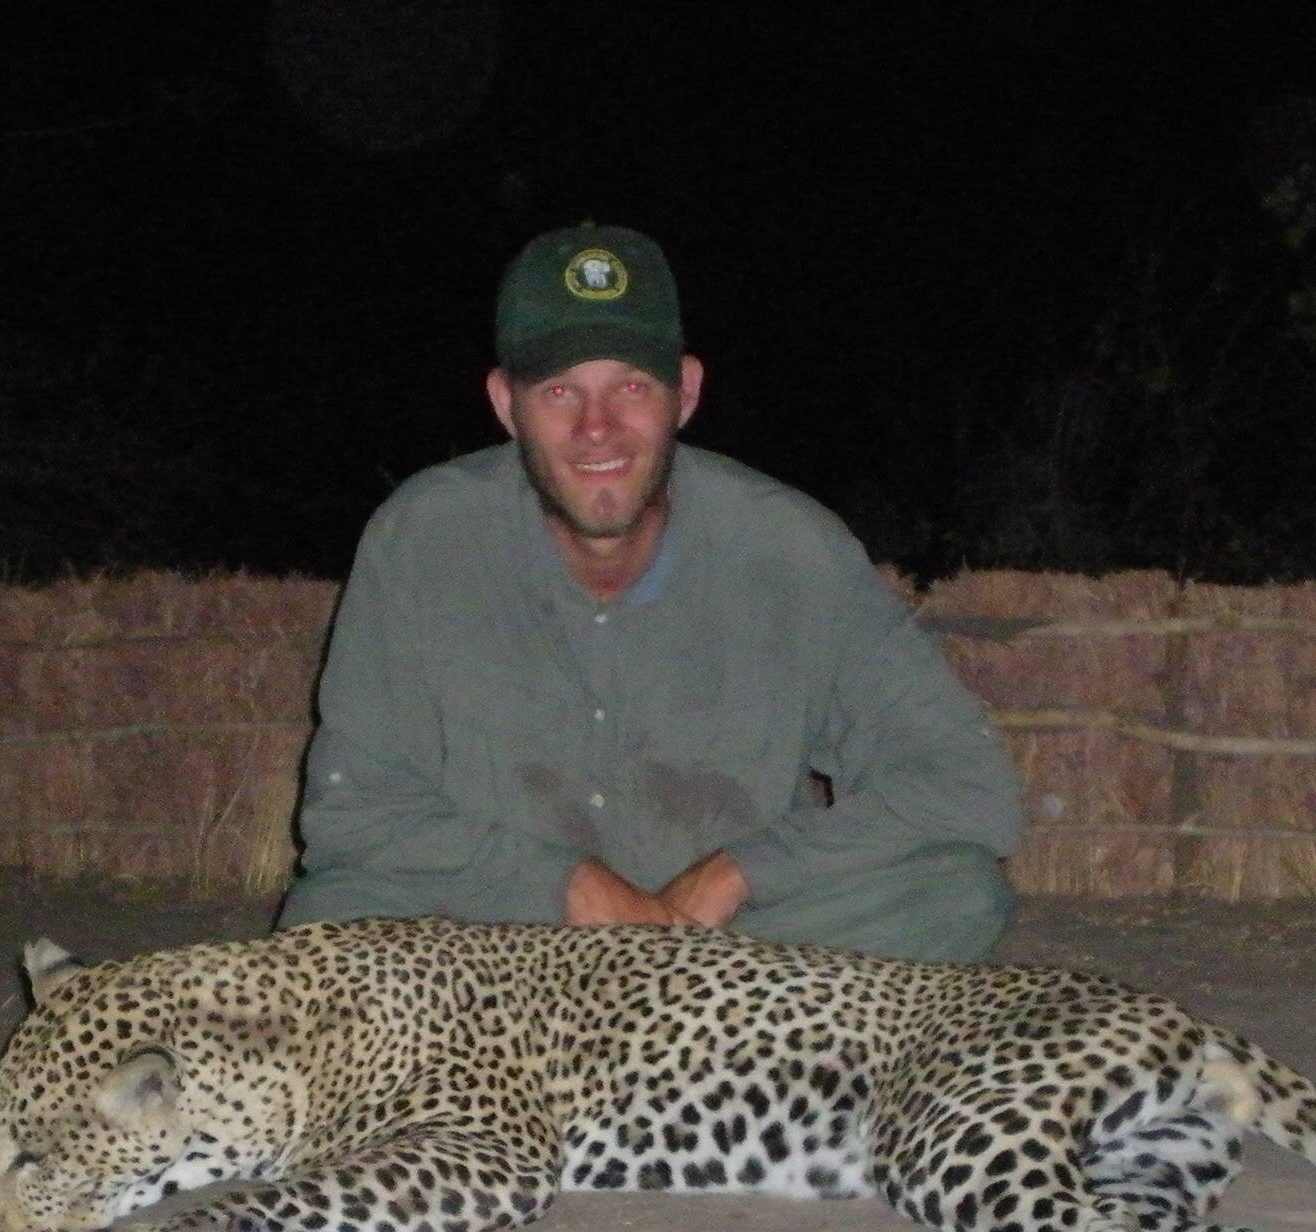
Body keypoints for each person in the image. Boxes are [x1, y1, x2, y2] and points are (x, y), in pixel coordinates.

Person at [277, 223, 1023, 963]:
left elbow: (966, 783)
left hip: (724, 956)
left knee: (956, 892)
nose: (596, 428)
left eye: (631, 386)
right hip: (500, 951)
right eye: (560, 390)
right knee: (327, 916)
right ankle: (655, 1054)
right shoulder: (421, 538)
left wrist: (743, 871)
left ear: (685, 393)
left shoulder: (795, 551)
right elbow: (353, 814)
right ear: (507, 406)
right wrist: (559, 883)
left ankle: (652, 1045)